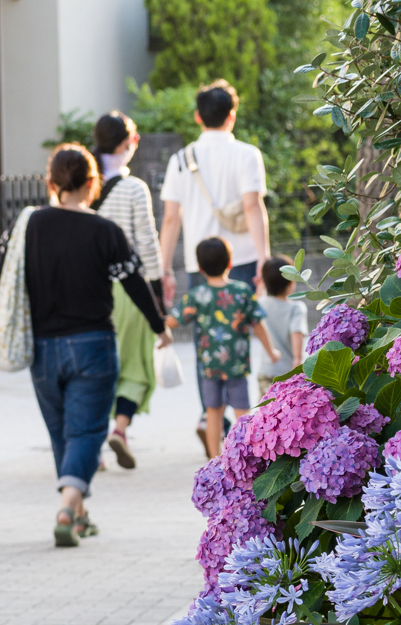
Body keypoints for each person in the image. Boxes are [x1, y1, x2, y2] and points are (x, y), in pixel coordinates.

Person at [27, 144, 173, 548]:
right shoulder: (104, 231)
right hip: (92, 344)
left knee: (61, 432)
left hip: (42, 346)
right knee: (88, 431)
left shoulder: (30, 226)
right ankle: (67, 506)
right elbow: (133, 281)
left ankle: (77, 515)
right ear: (93, 184)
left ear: (50, 183)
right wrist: (158, 325)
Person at [158, 79, 271, 450]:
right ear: (232, 115)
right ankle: (240, 426)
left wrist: (164, 267)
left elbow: (171, 218)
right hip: (241, 259)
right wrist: (264, 257)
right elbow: (253, 207)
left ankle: (210, 415)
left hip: (198, 264)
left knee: (205, 339)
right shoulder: (247, 154)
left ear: (197, 117)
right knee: (239, 337)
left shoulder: (180, 159)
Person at [91, 111, 164, 470]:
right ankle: (119, 430)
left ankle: (91, 445)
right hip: (130, 288)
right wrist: (157, 286)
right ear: (126, 144)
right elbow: (146, 243)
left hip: (91, 290)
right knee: (135, 365)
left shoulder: (82, 183)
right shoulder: (134, 188)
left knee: (99, 365)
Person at [165, 237, 280, 459]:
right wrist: (271, 351)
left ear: (199, 268)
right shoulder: (242, 291)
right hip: (236, 365)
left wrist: (160, 318)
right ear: (230, 263)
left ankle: (215, 460)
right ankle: (246, 455)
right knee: (242, 413)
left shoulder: (196, 295)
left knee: (213, 413)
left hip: (210, 367)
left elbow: (173, 321)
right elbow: (258, 324)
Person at [257, 256, 308, 396]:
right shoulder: (296, 309)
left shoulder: (260, 304)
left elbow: (254, 306)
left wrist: (261, 284)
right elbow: (297, 336)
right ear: (291, 283)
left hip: (266, 372)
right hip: (287, 374)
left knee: (265, 414)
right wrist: (298, 365)